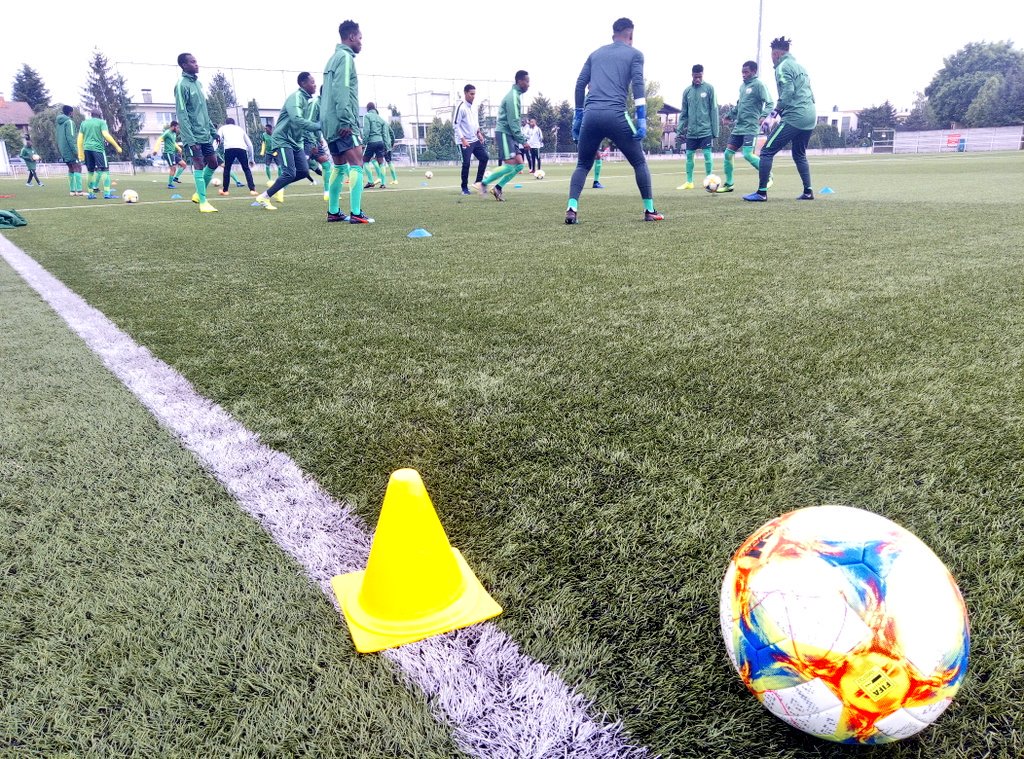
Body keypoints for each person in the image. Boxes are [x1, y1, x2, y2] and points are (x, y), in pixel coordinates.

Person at [565, 18, 662, 224]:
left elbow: (580, 84)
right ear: (631, 35)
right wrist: (642, 118)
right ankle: (649, 210)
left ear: (613, 34)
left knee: (582, 164)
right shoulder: (635, 54)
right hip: (616, 114)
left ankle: (572, 208)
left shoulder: (595, 53)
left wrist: (578, 115)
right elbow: (638, 85)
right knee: (639, 162)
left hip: (590, 116)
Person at [744, 36, 817, 202]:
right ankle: (808, 191)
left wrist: (773, 113)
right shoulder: (800, 67)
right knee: (799, 154)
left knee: (766, 151)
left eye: (772, 55)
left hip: (795, 116)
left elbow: (788, 91)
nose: (772, 59)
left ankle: (761, 193)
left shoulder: (782, 67)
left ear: (776, 54)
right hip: (810, 115)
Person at [322, 19, 374, 224]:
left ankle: (333, 211)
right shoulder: (345, 58)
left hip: (329, 122)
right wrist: (346, 120)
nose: (362, 42)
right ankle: (356, 213)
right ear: (351, 37)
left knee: (339, 166)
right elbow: (342, 90)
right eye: (360, 38)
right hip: (342, 121)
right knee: (357, 163)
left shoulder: (332, 58)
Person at [253, 72, 321, 210]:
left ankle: (278, 186)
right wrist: (319, 125)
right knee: (289, 173)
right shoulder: (296, 97)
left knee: (303, 171)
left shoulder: (306, 101)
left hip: (296, 142)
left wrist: (313, 142)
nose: (314, 85)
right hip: (283, 139)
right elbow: (297, 119)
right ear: (303, 83)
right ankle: (264, 197)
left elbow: (304, 125)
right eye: (312, 82)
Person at [174, 52, 220, 212]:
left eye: (196, 61)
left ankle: (198, 195)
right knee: (199, 164)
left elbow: (203, 112)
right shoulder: (181, 85)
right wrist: (190, 140)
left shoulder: (198, 84)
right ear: (184, 65)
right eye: (193, 62)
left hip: (205, 134)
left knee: (214, 163)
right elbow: (182, 114)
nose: (196, 64)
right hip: (193, 136)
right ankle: (203, 202)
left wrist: (214, 131)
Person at [719, 61, 774, 193]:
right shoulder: (742, 87)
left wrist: (764, 116)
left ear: (754, 72)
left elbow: (770, 103)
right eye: (742, 72)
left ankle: (768, 175)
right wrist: (729, 116)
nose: (743, 75)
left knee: (748, 154)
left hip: (751, 127)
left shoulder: (759, 85)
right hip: (739, 127)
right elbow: (739, 106)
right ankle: (729, 184)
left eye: (746, 72)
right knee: (728, 153)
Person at [480, 70, 530, 201]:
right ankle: (484, 182)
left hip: (510, 135)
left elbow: (514, 123)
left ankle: (498, 188)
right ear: (520, 81)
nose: (528, 85)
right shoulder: (513, 97)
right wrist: (523, 140)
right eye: (527, 81)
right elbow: (513, 122)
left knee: (519, 164)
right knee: (509, 164)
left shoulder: (516, 95)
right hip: (504, 133)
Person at [676, 64, 718, 190]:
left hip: (706, 130)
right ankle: (689, 182)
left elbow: (714, 110)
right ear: (692, 75)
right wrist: (679, 130)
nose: (698, 79)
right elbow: (684, 113)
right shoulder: (687, 91)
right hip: (692, 132)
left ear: (702, 75)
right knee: (689, 156)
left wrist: (715, 132)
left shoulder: (709, 89)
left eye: (700, 76)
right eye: (695, 77)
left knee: (707, 155)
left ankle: (710, 180)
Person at [76, 109, 122, 199]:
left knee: (90, 172)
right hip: (98, 149)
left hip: (87, 149)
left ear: (91, 115)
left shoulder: (84, 123)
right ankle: (107, 194)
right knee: (105, 170)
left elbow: (79, 139)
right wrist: (117, 146)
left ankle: (91, 194)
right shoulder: (101, 122)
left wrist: (80, 153)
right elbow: (106, 135)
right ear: (100, 115)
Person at [454, 84, 487, 195]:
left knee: (485, 157)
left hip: (474, 139)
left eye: (474, 94)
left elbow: (475, 123)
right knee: (466, 163)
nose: (473, 96)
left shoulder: (474, 107)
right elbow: (455, 125)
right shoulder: (461, 107)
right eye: (471, 94)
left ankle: (478, 182)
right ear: (465, 93)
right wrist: (462, 139)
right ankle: (464, 188)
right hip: (464, 141)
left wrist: (479, 133)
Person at [216, 117, 257, 195]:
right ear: (234, 123)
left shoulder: (223, 128)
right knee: (246, 169)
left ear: (226, 123)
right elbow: (250, 145)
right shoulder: (240, 129)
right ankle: (253, 190)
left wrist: (213, 149)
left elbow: (217, 139)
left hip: (229, 149)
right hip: (242, 149)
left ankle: (225, 191)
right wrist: (251, 159)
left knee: (227, 169)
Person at [55, 105, 84, 196]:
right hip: (70, 150)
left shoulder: (59, 124)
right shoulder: (69, 122)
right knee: (78, 167)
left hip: (63, 150)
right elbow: (71, 138)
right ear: (70, 112)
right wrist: (76, 151)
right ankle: (79, 191)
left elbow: (58, 137)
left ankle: (72, 191)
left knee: (71, 169)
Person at [361, 102, 388, 189]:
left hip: (372, 141)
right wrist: (386, 146)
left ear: (367, 109)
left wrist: (364, 143)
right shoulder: (381, 119)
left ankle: (370, 181)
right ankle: (383, 183)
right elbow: (385, 134)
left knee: (365, 161)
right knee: (381, 162)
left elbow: (366, 130)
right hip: (380, 142)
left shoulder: (367, 116)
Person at [157, 121, 188, 189]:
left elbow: (173, 143)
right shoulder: (167, 133)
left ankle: (175, 178)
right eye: (177, 127)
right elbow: (159, 139)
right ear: (173, 127)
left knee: (184, 165)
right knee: (173, 168)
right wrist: (156, 150)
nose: (178, 129)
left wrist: (179, 149)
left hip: (173, 153)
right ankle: (170, 184)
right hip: (168, 153)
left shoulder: (174, 134)